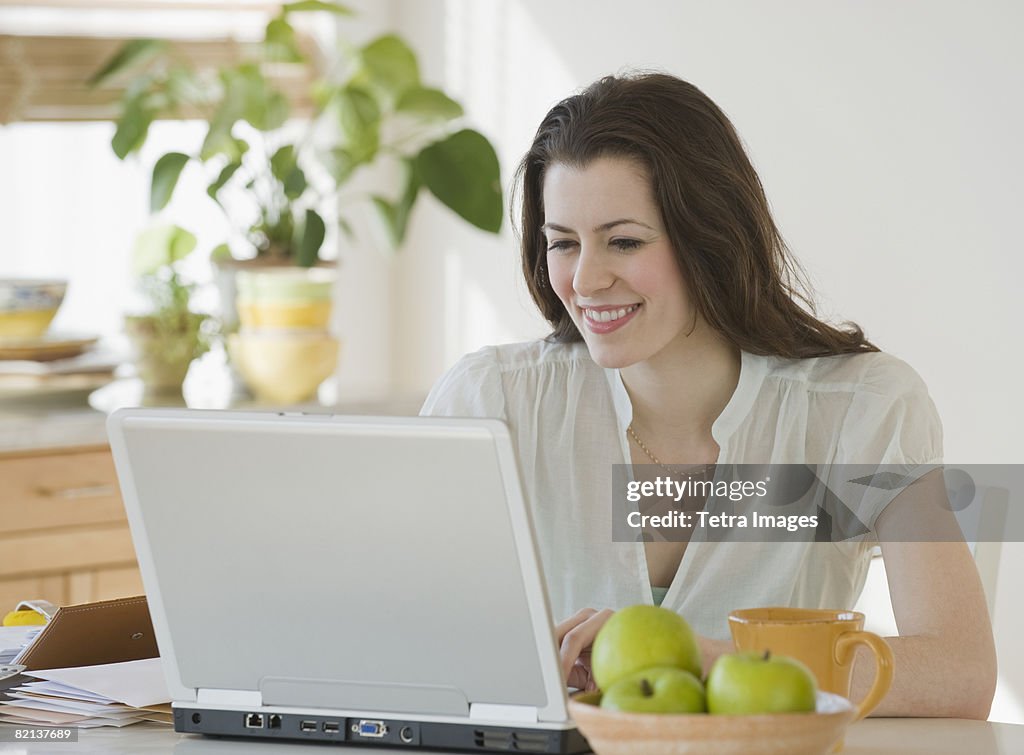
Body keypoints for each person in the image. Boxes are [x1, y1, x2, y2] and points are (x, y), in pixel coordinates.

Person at [420, 72, 996, 719]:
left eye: (624, 241)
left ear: (709, 237)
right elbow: (403, 636)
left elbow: (960, 669)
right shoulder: (492, 401)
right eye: (563, 243)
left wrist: (711, 659)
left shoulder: (862, 408)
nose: (585, 279)